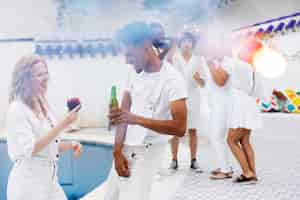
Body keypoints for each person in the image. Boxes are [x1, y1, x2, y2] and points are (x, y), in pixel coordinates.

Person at [104, 22, 188, 200]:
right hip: (124, 148)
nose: (126, 61)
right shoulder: (133, 72)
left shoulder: (172, 80)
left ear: (145, 47)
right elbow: (122, 113)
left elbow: (180, 128)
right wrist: (117, 152)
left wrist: (136, 119)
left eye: (130, 55)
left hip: (147, 152)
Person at [5, 55, 82, 200]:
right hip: (29, 185)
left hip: (50, 181)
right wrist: (63, 124)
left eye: (46, 74)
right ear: (26, 79)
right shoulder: (17, 109)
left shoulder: (41, 102)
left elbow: (48, 146)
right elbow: (31, 149)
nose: (46, 78)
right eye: (40, 74)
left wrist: (71, 145)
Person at [167, 32, 205, 171]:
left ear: (192, 44)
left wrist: (198, 79)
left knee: (193, 130)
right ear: (180, 43)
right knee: (176, 130)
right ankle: (174, 160)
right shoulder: (174, 58)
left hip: (194, 98)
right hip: (178, 98)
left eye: (189, 41)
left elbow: (203, 83)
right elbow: (169, 78)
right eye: (184, 41)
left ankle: (194, 160)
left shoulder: (198, 60)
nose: (186, 43)